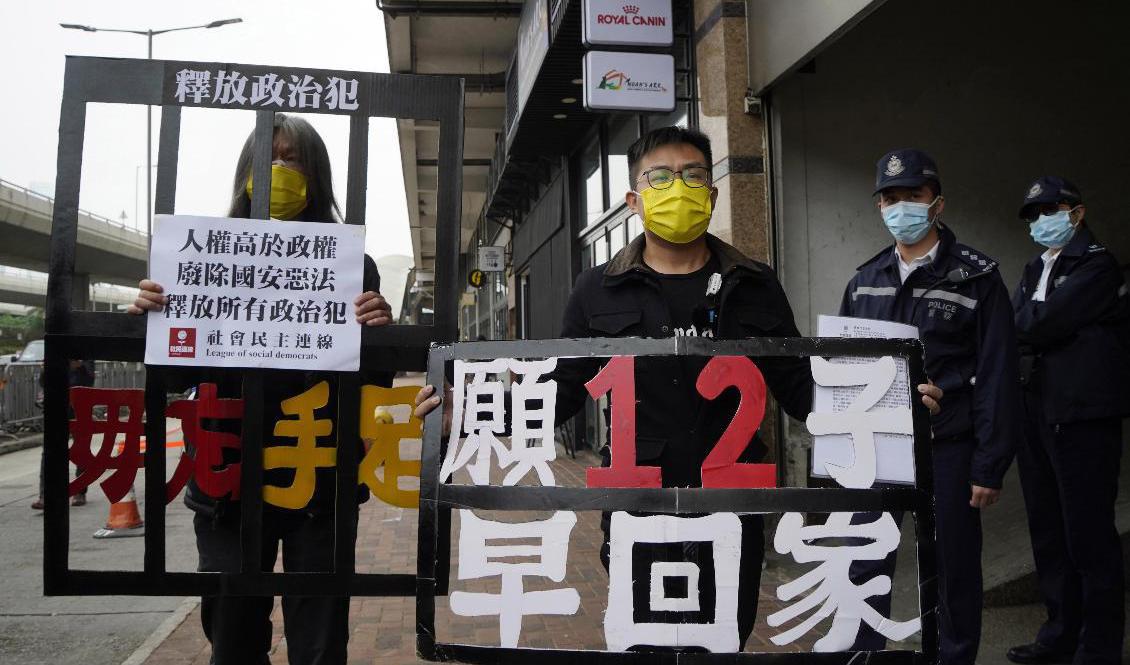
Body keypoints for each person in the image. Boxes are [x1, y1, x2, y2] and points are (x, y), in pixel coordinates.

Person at [415, 126, 942, 650]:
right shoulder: (596, 289)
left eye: (692, 175)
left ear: (711, 195)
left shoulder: (755, 283)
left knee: (724, 642)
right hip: (638, 507)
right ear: (634, 199)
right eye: (660, 177)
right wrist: (466, 410)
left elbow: (803, 390)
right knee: (645, 644)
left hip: (735, 506)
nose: (678, 187)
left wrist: (898, 408)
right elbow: (560, 392)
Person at [128, 113, 393, 665]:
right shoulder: (198, 260)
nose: (279, 169)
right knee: (232, 634)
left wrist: (379, 333)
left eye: (292, 158)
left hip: (318, 474)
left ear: (315, 174)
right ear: (245, 172)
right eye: (267, 158)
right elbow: (174, 379)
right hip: (227, 475)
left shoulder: (351, 266)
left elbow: (373, 385)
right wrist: (151, 320)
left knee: (320, 640)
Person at [839, 148, 1022, 664]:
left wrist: (989, 464)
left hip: (950, 448)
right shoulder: (864, 280)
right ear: (879, 207)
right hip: (879, 451)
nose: (901, 207)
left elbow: (998, 376)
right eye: (890, 198)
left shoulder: (976, 278)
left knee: (953, 566)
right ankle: (864, 654)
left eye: (912, 196)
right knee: (865, 559)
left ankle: (953, 656)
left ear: (936, 203)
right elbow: (843, 368)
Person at [1006, 177, 1128, 665]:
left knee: (1088, 536)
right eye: (1032, 215)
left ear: (1076, 212)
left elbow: (1038, 323)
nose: (1039, 221)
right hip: (1036, 407)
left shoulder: (1096, 265)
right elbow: (1018, 324)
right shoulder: (1036, 265)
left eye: (1048, 210)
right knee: (1048, 530)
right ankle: (1059, 633)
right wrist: (1030, 322)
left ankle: (1097, 646)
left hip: (1081, 416)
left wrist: (1031, 321)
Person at [32, 358, 96, 509]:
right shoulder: (54, 347)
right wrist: (46, 368)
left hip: (79, 403)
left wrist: (78, 366)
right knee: (50, 450)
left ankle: (79, 491)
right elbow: (43, 381)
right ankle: (45, 495)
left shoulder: (85, 351)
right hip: (56, 402)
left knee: (81, 447)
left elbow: (89, 379)